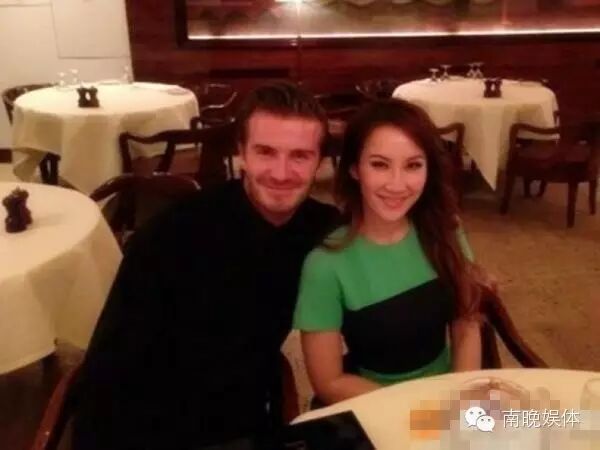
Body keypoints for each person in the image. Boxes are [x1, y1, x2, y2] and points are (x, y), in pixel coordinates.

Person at [72, 81, 340, 449]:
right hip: (145, 429)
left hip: (245, 422)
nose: (281, 173)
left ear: (320, 162)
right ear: (241, 154)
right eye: (265, 152)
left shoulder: (321, 228)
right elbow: (108, 376)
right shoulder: (167, 238)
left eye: (300, 156)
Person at [293, 98, 483, 406]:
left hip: (449, 394)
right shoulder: (325, 264)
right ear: (354, 169)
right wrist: (418, 411)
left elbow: (466, 323)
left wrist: (462, 397)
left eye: (413, 165)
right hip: (374, 404)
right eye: (380, 164)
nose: (397, 185)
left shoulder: (446, 230)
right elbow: (329, 381)